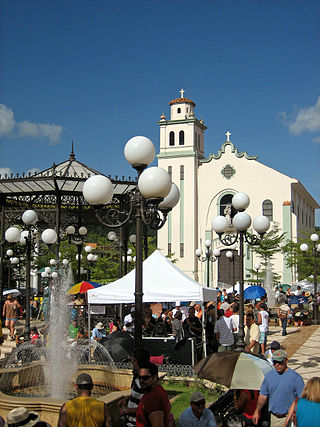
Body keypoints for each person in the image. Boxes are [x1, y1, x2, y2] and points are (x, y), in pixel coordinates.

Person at [252, 350, 304, 426]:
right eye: (275, 362)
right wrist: (257, 411)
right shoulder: (269, 375)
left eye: (280, 362)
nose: (277, 365)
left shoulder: (296, 378)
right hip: (273, 418)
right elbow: (263, 396)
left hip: (289, 419)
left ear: (286, 360)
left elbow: (301, 400)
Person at [118, 347, 150, 426]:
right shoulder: (138, 379)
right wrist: (128, 398)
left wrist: (126, 410)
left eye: (132, 358)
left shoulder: (143, 382)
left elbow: (145, 407)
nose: (131, 361)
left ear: (136, 361)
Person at [136, 361, 171, 427]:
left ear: (155, 377)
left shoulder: (152, 398)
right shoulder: (159, 389)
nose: (141, 381)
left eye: (145, 378)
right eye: (139, 377)